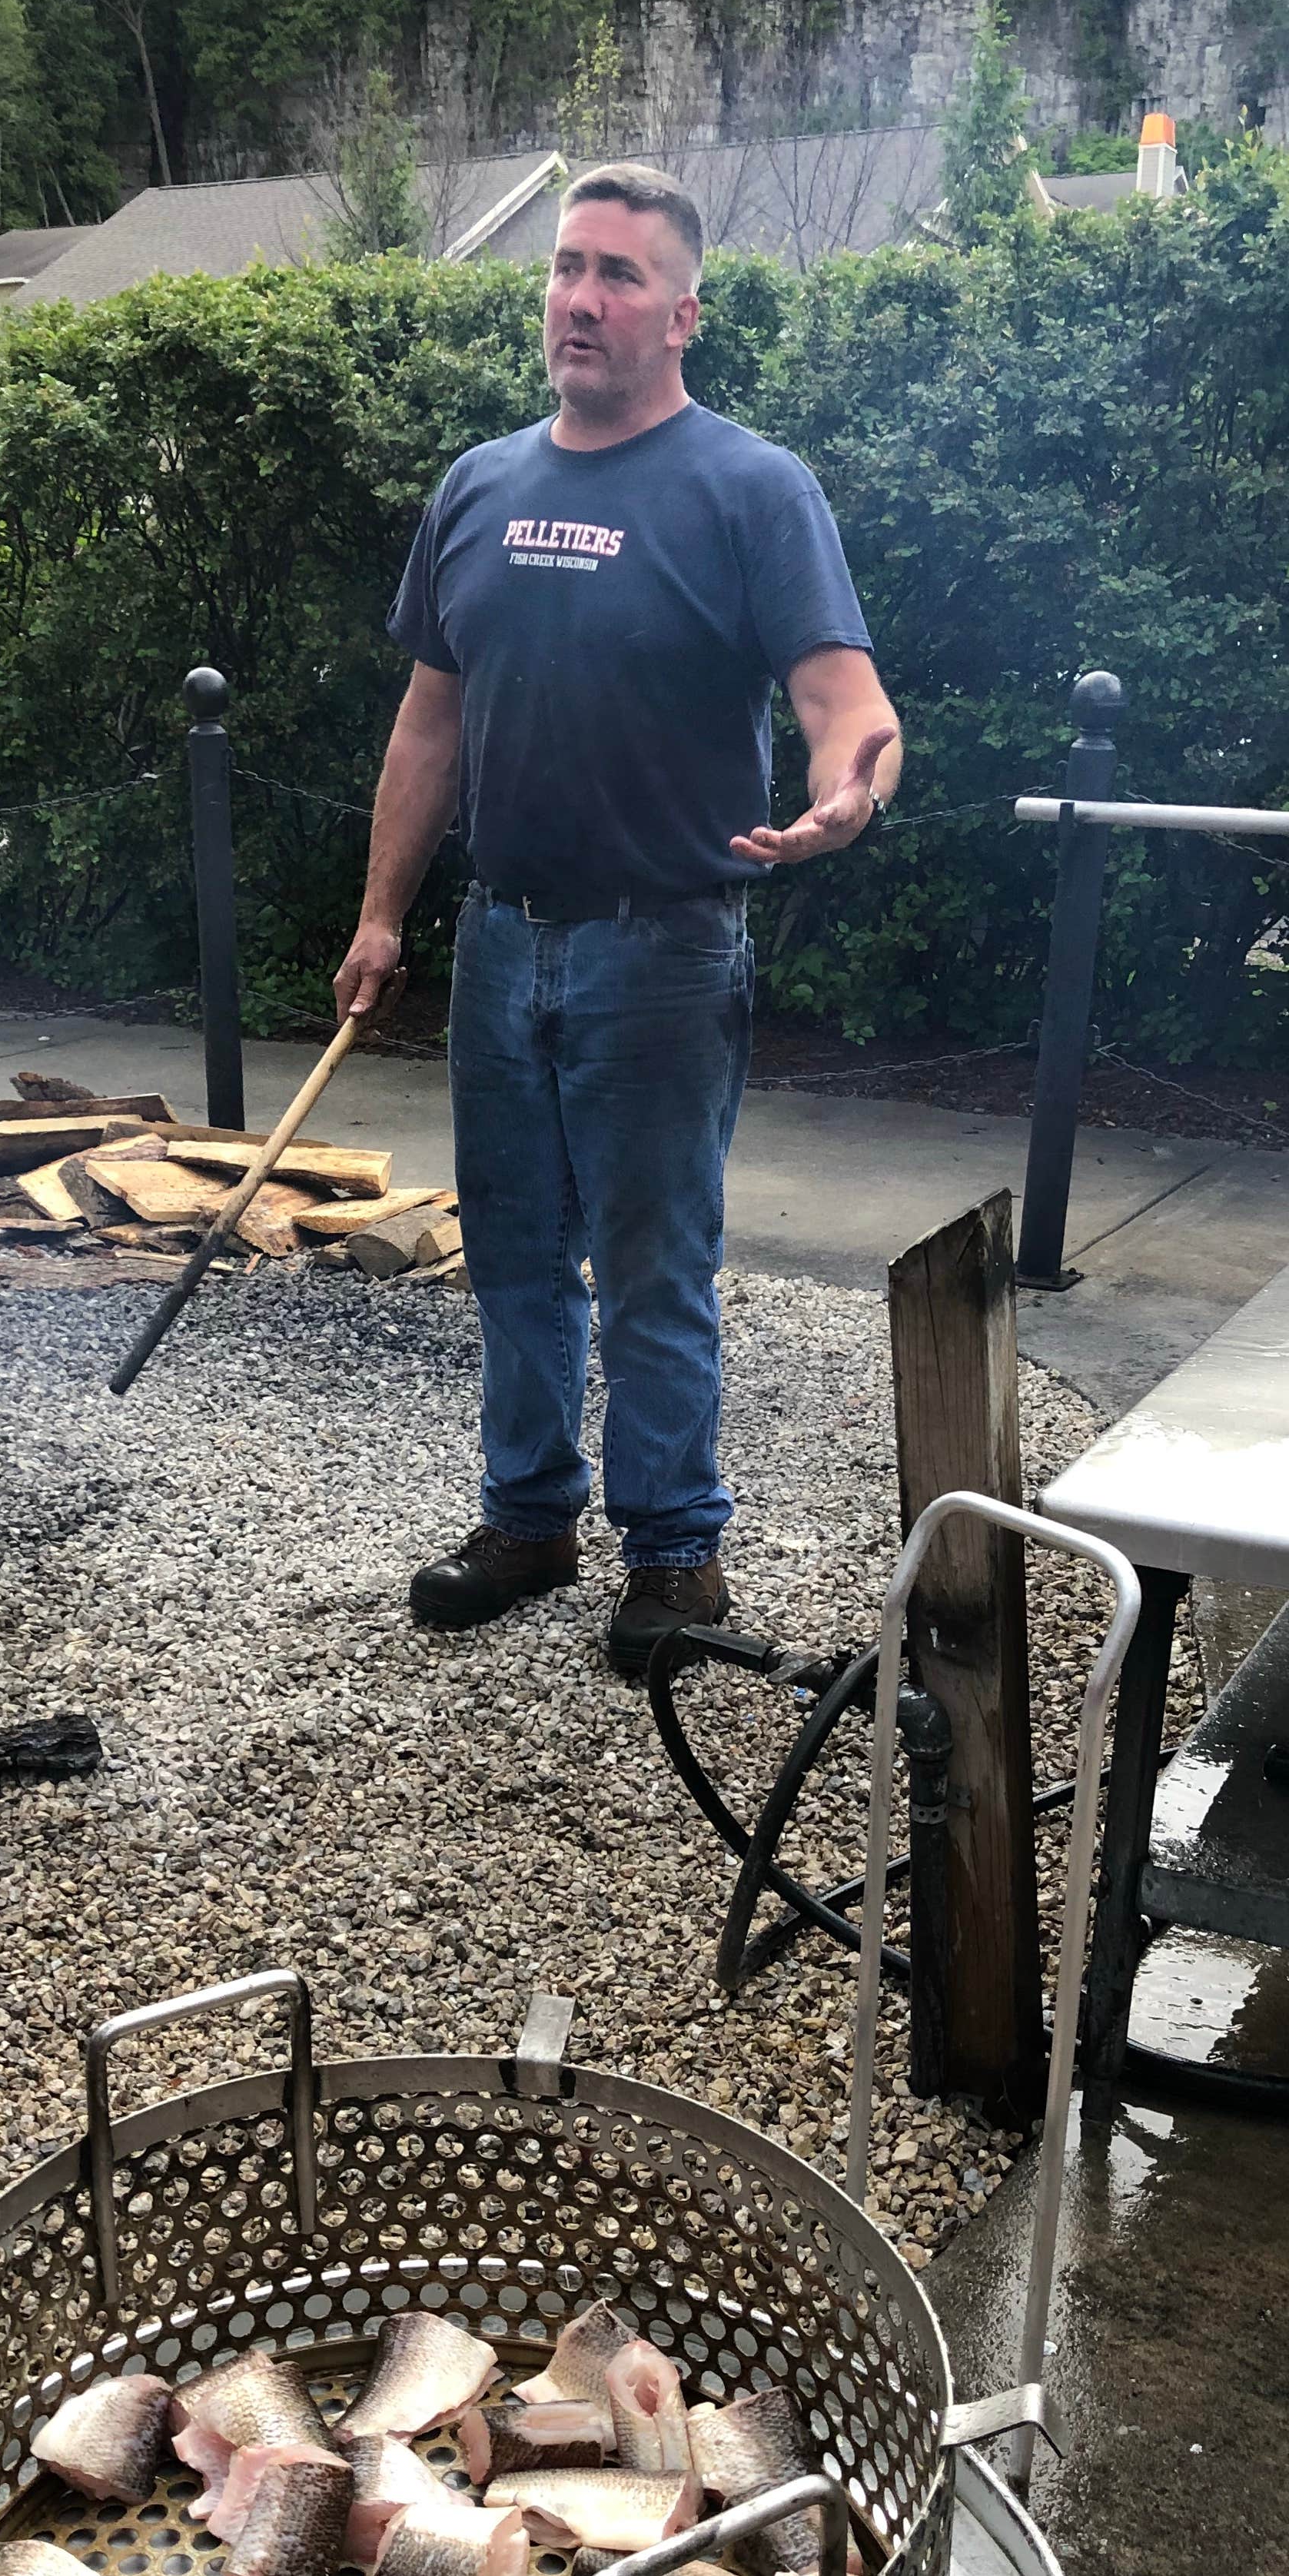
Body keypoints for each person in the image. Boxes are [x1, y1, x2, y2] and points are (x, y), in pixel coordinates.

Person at [333, 161, 902, 1678]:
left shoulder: (751, 489)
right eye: (567, 268)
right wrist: (386, 917)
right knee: (514, 1250)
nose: (582, 299)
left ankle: (676, 1557)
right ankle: (528, 1520)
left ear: (682, 314)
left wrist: (850, 788)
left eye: (621, 276)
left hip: (664, 944)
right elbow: (428, 725)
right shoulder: (479, 486)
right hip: (500, 937)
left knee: (656, 1265)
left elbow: (845, 698)